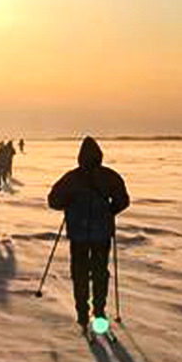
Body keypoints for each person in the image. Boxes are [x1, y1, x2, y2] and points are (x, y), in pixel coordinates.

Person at [47, 135, 130, 331]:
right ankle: (99, 311)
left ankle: (82, 314)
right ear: (100, 156)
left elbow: (53, 201)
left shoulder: (72, 178)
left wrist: (68, 203)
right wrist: (110, 211)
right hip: (102, 234)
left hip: (78, 234)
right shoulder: (109, 176)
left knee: (80, 273)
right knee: (100, 272)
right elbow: (123, 200)